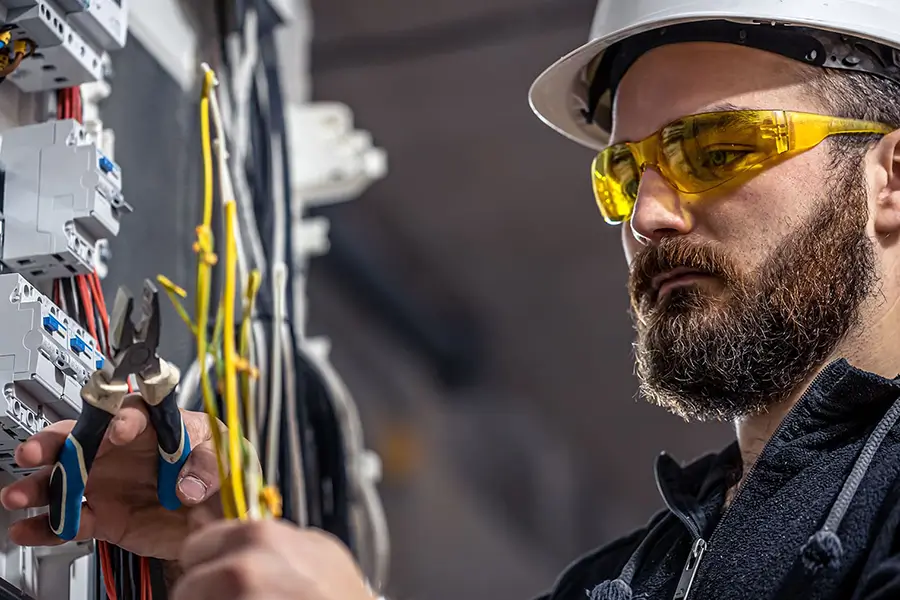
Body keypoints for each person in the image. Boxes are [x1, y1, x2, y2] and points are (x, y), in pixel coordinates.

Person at [6, 0, 900, 598]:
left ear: (889, 176)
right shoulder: (626, 579)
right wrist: (220, 540)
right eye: (627, 173)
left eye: (718, 149)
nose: (651, 215)